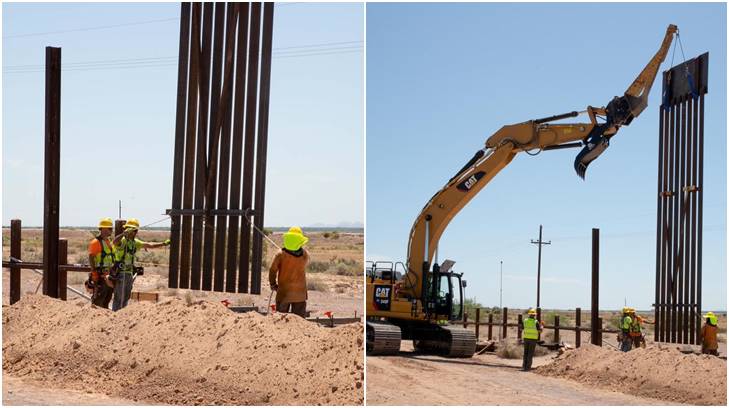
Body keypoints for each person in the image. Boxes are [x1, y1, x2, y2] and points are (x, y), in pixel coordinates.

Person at [111, 218, 170, 311]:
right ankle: (115, 315)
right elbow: (114, 242)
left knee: (126, 297)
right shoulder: (122, 241)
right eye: (133, 230)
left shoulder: (135, 242)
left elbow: (149, 245)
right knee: (119, 297)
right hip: (120, 273)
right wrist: (123, 234)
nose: (135, 232)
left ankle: (122, 316)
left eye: (135, 231)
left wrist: (164, 243)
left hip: (129, 273)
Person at [268, 226, 310, 318]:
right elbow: (304, 263)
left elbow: (272, 270)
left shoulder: (280, 254)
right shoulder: (305, 254)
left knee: (280, 320)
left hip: (284, 293)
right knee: (300, 322)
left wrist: (273, 284)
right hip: (300, 294)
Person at [87, 217, 116, 308]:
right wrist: (94, 273)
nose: (111, 230)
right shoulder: (95, 242)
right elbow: (91, 258)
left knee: (107, 299)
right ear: (103, 229)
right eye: (110, 228)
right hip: (100, 276)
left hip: (109, 276)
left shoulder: (108, 241)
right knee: (98, 300)